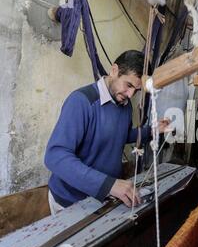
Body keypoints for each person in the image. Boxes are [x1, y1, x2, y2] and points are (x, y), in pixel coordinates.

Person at [44, 50, 169, 214]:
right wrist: (108, 185)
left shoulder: (125, 105)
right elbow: (55, 156)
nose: (130, 94)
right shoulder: (82, 102)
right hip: (70, 201)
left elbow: (120, 135)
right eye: (129, 85)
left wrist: (152, 131)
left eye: (137, 90)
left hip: (101, 198)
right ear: (114, 71)